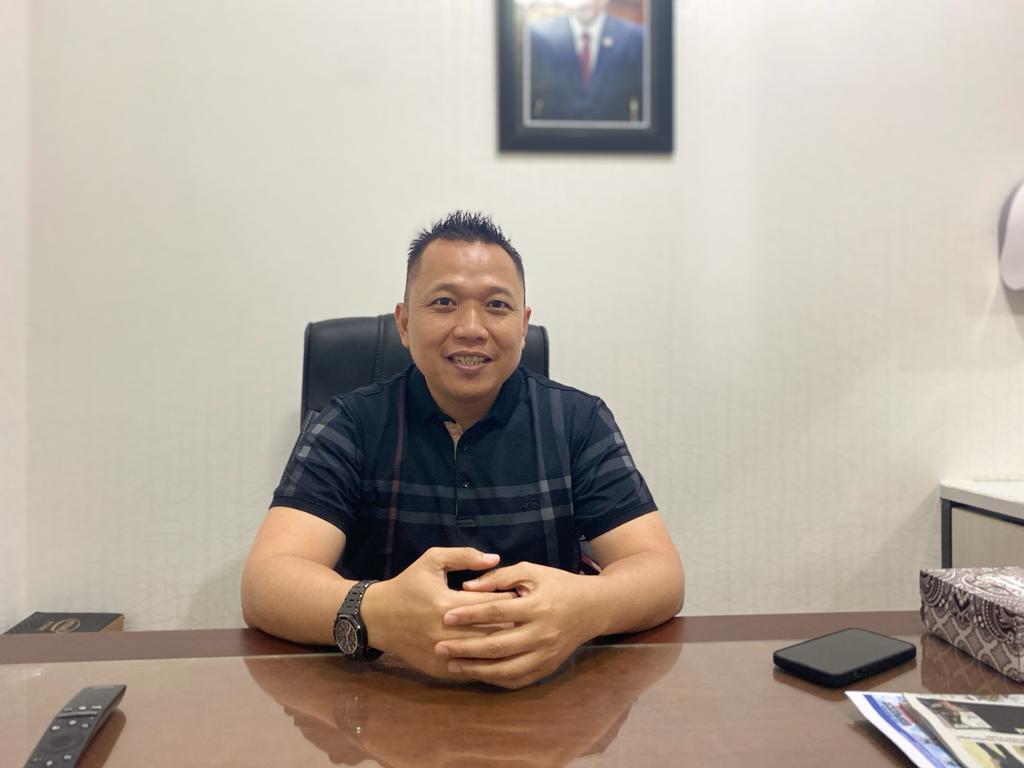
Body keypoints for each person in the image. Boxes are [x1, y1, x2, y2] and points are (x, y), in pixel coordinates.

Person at [241, 211, 683, 690]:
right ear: (404, 324)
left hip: (544, 697)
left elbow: (660, 573)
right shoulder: (349, 423)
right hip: (381, 696)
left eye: (496, 305)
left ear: (523, 325)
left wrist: (586, 607)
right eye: (444, 302)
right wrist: (379, 612)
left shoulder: (578, 421)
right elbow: (267, 583)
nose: (471, 328)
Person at [529, 0, 645, 122]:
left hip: (615, 132)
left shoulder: (635, 38)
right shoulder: (539, 36)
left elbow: (645, 104)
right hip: (554, 132)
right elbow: (528, 100)